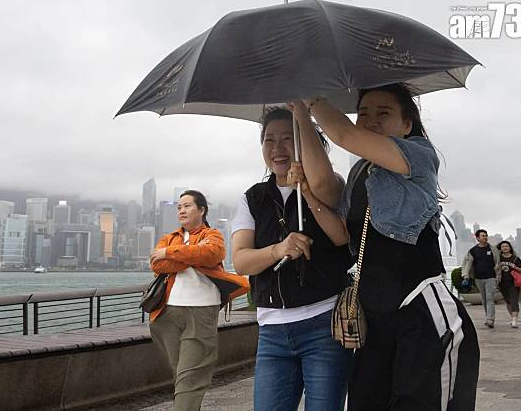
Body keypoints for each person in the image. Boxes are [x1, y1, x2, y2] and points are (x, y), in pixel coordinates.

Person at [303, 83, 480, 410]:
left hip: (423, 315)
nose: (369, 120)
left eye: (383, 113)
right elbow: (340, 226)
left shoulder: (419, 155)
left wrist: (309, 94)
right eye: (363, 113)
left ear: (406, 124)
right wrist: (300, 111)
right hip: (374, 320)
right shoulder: (360, 172)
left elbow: (343, 134)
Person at [231, 107, 352, 411]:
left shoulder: (329, 185)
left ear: (307, 143)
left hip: (324, 325)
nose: (278, 148)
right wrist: (278, 249)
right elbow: (241, 261)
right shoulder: (253, 198)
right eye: (269, 140)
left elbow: (342, 237)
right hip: (273, 331)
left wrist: (307, 192)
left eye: (288, 138)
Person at [149, 190, 250, 411]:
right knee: (181, 376)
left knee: (190, 378)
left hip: (200, 311)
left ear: (202, 210)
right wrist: (188, 254)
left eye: (187, 206)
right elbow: (157, 265)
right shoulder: (169, 238)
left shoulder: (212, 235)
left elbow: (213, 254)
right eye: (179, 207)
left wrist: (170, 254)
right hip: (166, 315)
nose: (182, 211)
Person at [462, 229, 501, 328]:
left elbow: (498, 263)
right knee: (484, 299)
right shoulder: (473, 251)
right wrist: (466, 276)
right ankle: (488, 317)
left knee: (489, 298)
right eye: (483, 236)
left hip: (491, 277)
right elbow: (467, 264)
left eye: (486, 235)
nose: (485, 237)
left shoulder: (492, 249)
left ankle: (490, 319)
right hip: (478, 278)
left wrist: (498, 277)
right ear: (478, 238)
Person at [495, 241, 521, 328]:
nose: (505, 248)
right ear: (500, 248)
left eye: (506, 246)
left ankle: (515, 320)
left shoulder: (515, 258)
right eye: (503, 246)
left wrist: (515, 267)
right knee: (508, 301)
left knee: (514, 301)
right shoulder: (498, 259)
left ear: (510, 248)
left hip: (514, 283)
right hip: (502, 283)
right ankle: (512, 318)